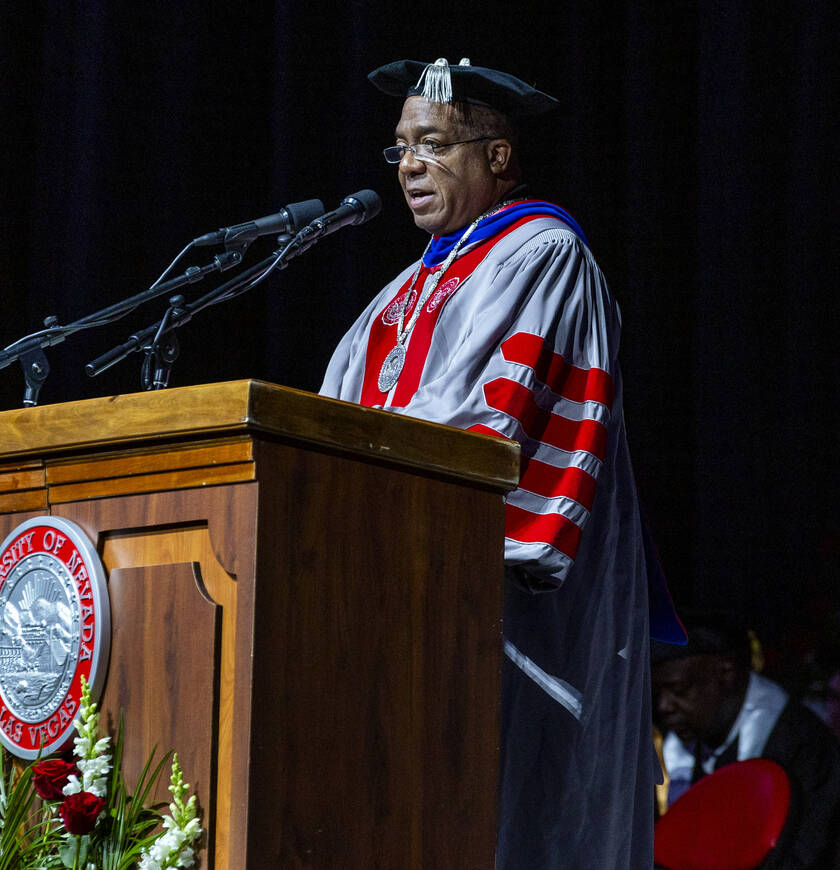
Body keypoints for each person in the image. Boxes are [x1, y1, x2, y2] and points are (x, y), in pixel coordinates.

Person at [320, 56, 671, 868]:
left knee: (497, 818)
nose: (409, 164)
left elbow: (477, 428)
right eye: (401, 147)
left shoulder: (542, 254)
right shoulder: (401, 291)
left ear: (497, 156)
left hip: (494, 606)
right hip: (393, 594)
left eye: (433, 143)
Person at [653, 614, 840, 868]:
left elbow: (806, 855)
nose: (664, 706)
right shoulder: (681, 742)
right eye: (658, 693)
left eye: (679, 690)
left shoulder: (800, 746)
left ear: (725, 673)